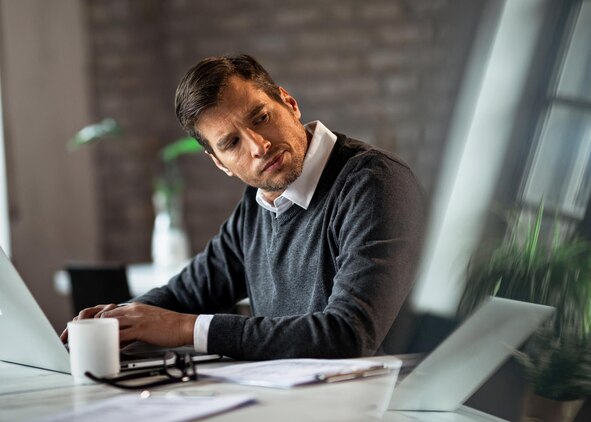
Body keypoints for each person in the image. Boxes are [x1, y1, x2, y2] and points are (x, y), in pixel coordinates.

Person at [63, 54, 426, 360]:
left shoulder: (374, 182)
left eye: (261, 117)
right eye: (232, 142)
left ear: (289, 102)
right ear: (219, 162)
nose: (258, 146)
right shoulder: (260, 206)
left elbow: (349, 334)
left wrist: (183, 329)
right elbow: (185, 296)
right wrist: (116, 321)